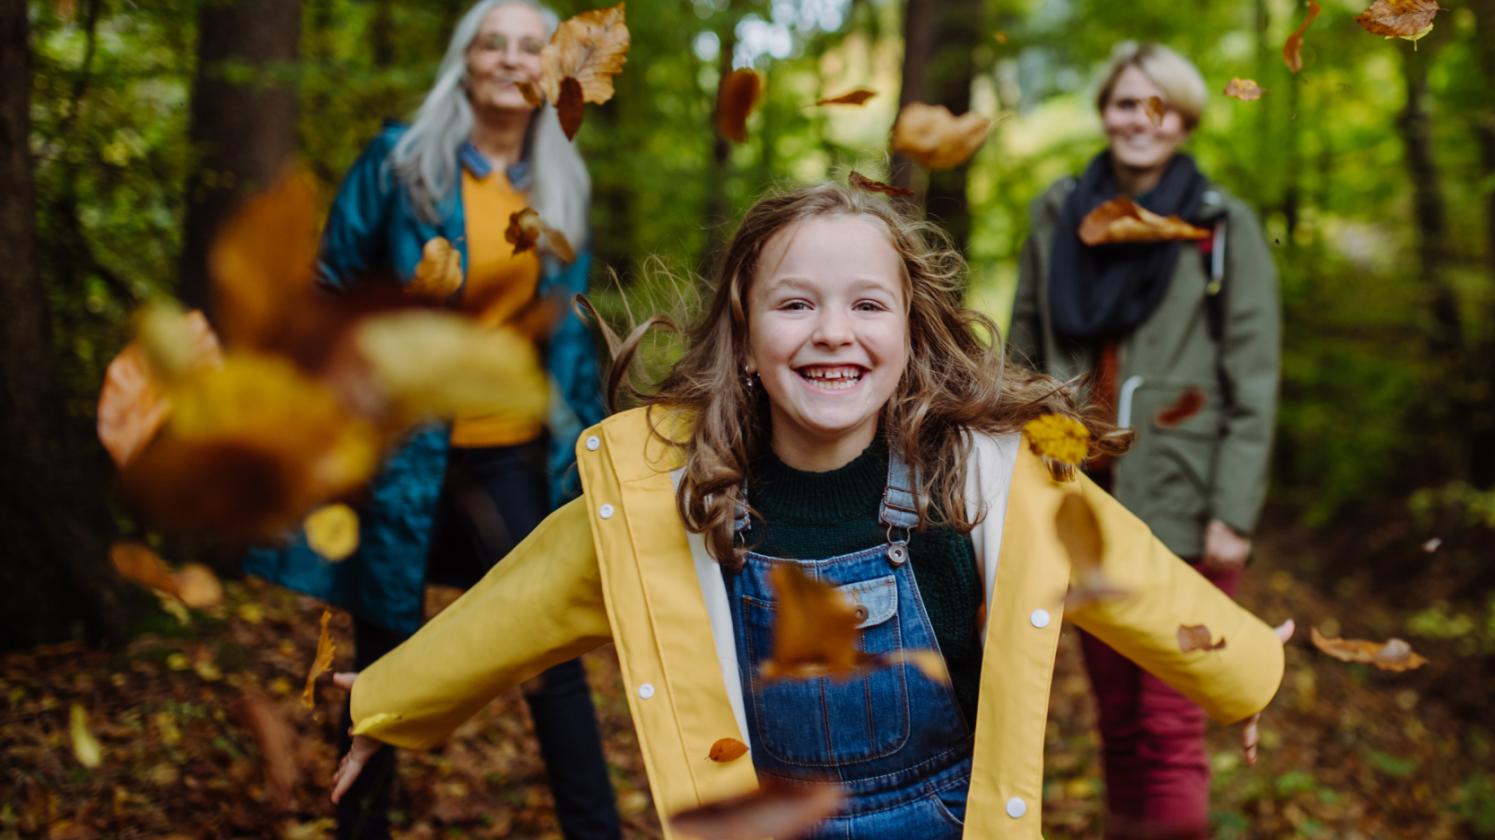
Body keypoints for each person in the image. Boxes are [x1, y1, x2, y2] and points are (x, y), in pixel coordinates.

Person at [326, 182, 1287, 838]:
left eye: (868, 306)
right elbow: (521, 606)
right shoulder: (672, 499)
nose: (834, 331)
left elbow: (1140, 579)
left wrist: (1246, 669)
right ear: (745, 335)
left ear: (911, 333)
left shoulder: (988, 479)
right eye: (796, 305)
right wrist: (387, 702)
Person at [242, 1, 619, 837]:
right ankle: (361, 826)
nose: (512, 59)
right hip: (403, 450)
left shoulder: (561, 183)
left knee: (549, 650)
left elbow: (563, 337)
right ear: (467, 59)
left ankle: (597, 831)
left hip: (512, 452)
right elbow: (334, 285)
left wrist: (585, 446)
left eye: (531, 45)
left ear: (552, 67)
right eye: (494, 43)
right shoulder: (398, 161)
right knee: (385, 651)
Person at [1008, 42, 1282, 839]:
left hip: (1183, 496)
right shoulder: (1060, 211)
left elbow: (1254, 377)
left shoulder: (1221, 223)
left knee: (1169, 722)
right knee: (1118, 718)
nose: (1139, 119)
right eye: (1126, 102)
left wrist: (1233, 511)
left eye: (1157, 105)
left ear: (1184, 119)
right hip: (1083, 495)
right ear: (1105, 111)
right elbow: (1026, 345)